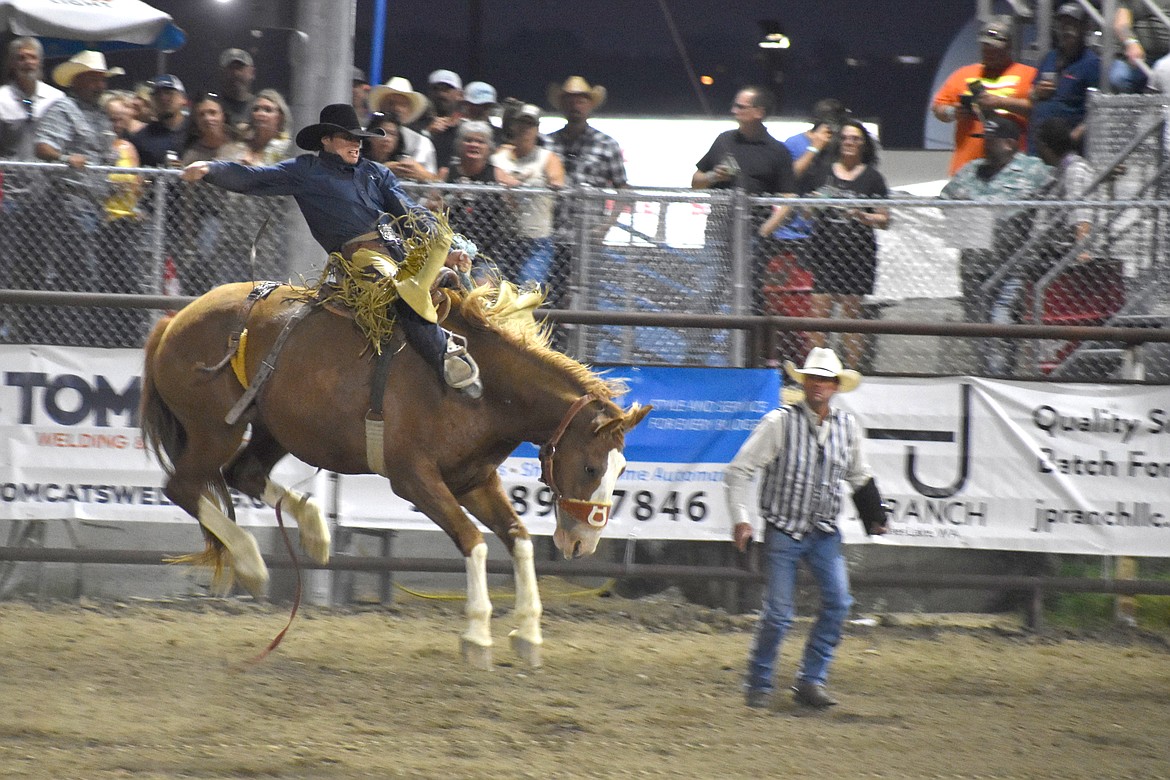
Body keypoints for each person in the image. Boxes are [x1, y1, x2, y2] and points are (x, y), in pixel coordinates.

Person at [180, 103, 482, 396]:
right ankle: (446, 360)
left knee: (455, 285)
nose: (357, 145)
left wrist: (449, 246)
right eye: (348, 138)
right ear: (326, 140)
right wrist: (211, 169)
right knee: (403, 293)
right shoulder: (306, 171)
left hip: (402, 253)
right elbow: (255, 178)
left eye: (359, 139)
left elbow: (412, 212)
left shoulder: (377, 173)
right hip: (362, 264)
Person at [724, 346, 884, 710]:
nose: (819, 385)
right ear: (805, 382)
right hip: (785, 528)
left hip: (823, 530)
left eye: (826, 380)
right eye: (814, 378)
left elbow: (859, 475)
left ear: (835, 386)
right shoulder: (780, 423)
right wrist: (742, 517)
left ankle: (809, 679)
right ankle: (761, 680)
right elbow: (738, 471)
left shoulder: (847, 427)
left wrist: (874, 513)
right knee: (780, 613)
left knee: (839, 603)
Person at [763, 119, 889, 371]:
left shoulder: (872, 177)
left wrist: (862, 215)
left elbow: (884, 219)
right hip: (824, 252)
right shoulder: (823, 172)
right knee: (819, 317)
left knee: (851, 318)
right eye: (845, 138)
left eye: (855, 139)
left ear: (864, 145)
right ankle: (817, 370)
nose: (849, 143)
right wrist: (815, 203)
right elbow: (807, 212)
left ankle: (852, 370)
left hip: (857, 255)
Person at [941, 118, 1052, 374]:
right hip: (974, 266)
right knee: (978, 331)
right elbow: (945, 199)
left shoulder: (1033, 169)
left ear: (1010, 144)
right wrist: (971, 211)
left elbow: (1056, 194)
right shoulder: (971, 170)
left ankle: (1001, 378)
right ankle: (990, 378)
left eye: (991, 141)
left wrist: (979, 209)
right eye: (984, 141)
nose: (985, 146)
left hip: (1013, 265)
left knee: (1002, 324)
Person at [932, 16, 1037, 176]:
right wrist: (953, 112)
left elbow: (1037, 111)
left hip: (1013, 172)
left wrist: (999, 102)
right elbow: (938, 106)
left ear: (1008, 47)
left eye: (995, 49)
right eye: (986, 48)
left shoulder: (1029, 75)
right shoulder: (963, 74)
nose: (989, 53)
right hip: (966, 168)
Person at [490, 103, 564, 286]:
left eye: (530, 125)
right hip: (504, 239)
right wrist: (507, 179)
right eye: (521, 123)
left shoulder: (547, 157)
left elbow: (557, 181)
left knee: (528, 286)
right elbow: (492, 171)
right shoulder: (500, 155)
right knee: (489, 287)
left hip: (537, 240)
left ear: (537, 129)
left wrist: (519, 183)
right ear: (513, 126)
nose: (525, 129)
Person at [439, 120, 520, 274]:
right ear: (459, 145)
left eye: (480, 141)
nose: (474, 145)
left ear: (488, 147)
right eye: (468, 140)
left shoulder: (497, 174)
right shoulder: (447, 173)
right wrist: (452, 197)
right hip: (450, 248)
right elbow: (432, 207)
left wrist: (510, 192)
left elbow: (515, 207)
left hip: (489, 250)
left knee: (482, 288)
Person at [1028, 3, 1099, 151]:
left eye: (1073, 24)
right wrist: (1036, 92)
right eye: (1063, 24)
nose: (1067, 29)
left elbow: (1096, 109)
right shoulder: (1050, 57)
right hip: (1038, 144)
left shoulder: (1091, 63)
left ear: (1085, 27)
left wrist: (1074, 136)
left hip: (1065, 148)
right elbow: (1031, 95)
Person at [0, 37, 63, 161]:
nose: (28, 62)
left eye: (33, 57)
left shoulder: (56, 98)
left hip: (50, 175)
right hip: (12, 174)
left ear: (40, 61)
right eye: (21, 58)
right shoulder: (1, 99)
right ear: (12, 64)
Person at [369, 77, 438, 174]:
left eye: (403, 105)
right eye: (391, 103)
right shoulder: (361, 135)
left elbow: (430, 183)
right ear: (381, 106)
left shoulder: (422, 143)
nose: (397, 108)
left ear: (410, 110)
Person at [129, 74, 189, 167]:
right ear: (151, 100)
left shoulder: (196, 131)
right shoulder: (141, 139)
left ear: (183, 99)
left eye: (169, 93)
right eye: (157, 94)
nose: (163, 98)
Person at [1113, 0, 1170, 93]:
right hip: (1140, 57)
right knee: (1119, 78)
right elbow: (1121, 24)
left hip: (1167, 58)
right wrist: (1131, 43)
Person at [364, 111, 436, 182]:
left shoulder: (402, 161)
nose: (387, 139)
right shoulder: (357, 158)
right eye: (381, 133)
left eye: (392, 134)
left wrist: (421, 175)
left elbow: (433, 180)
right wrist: (384, 169)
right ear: (369, 136)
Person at [217, 48, 256, 135]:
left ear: (252, 72)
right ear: (221, 72)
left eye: (240, 68)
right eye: (230, 68)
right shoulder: (212, 108)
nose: (235, 73)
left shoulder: (261, 108)